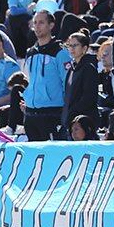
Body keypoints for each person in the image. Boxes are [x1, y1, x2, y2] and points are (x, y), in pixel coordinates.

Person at [23, 8, 71, 141]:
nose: (37, 26)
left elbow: (67, 83)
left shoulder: (60, 52)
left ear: (51, 25)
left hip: (52, 112)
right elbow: (28, 80)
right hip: (31, 113)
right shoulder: (31, 52)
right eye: (35, 22)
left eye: (41, 23)